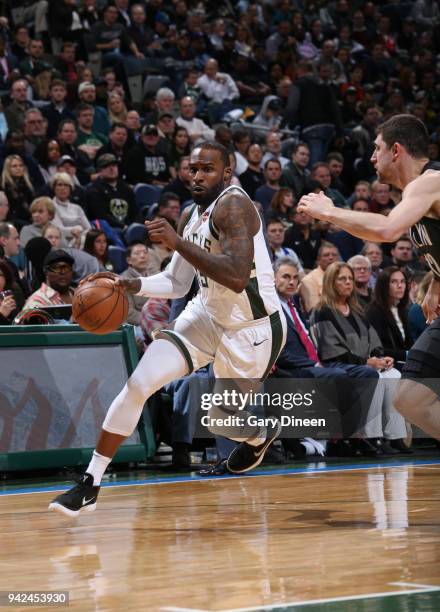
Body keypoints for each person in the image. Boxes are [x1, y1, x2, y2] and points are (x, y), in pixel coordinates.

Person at [49, 141, 287, 516]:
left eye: (207, 169)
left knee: (218, 420)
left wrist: (175, 241)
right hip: (206, 314)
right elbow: (177, 282)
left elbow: (238, 277)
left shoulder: (235, 206)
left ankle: (259, 434)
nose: (197, 176)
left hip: (251, 327)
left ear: (226, 173)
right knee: (139, 384)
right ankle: (90, 482)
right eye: (192, 169)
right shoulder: (195, 214)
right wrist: (133, 285)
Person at [298, 114, 440, 440]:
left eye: (377, 149)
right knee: (409, 399)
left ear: (397, 151)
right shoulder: (419, 192)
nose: (372, 157)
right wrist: (435, 283)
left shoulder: (428, 183)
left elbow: (387, 230)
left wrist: (330, 211)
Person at [310, 261, 407, 456]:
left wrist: (381, 357)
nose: (348, 283)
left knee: (394, 374)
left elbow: (373, 341)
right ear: (331, 282)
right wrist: (366, 362)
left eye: (350, 279)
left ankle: (394, 437)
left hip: (363, 363)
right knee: (372, 375)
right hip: (336, 364)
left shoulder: (356, 310)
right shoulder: (322, 311)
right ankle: (370, 437)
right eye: (342, 279)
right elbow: (331, 351)